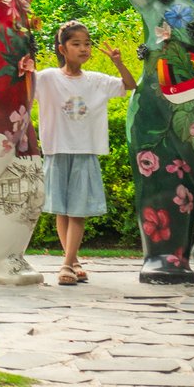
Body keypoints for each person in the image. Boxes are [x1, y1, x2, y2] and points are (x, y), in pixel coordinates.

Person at [34, 19, 132, 286]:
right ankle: (73, 260)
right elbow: (20, 89)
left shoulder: (97, 81)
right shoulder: (46, 78)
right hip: (56, 149)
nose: (84, 49)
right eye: (76, 44)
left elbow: (130, 85)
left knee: (77, 212)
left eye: (87, 44)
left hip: (85, 150)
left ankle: (66, 264)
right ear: (62, 49)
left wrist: (118, 62)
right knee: (62, 212)